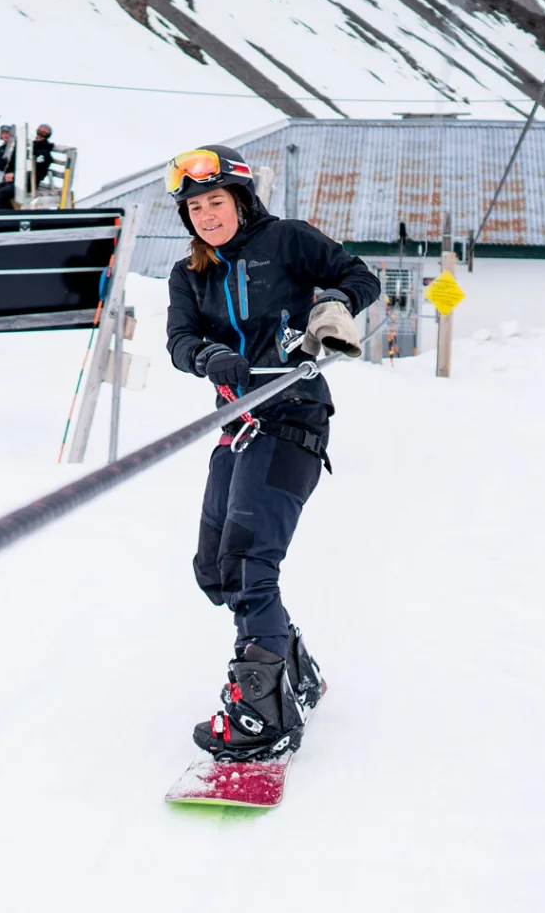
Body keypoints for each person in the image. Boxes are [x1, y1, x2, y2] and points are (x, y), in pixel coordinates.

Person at [163, 144, 379, 763]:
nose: (207, 215)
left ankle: (263, 714)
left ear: (241, 200)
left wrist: (332, 307)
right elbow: (180, 339)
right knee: (217, 569)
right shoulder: (190, 273)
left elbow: (358, 277)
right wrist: (208, 356)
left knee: (250, 559)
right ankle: (292, 669)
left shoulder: (286, 240)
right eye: (195, 207)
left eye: (215, 201)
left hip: (293, 418)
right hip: (237, 424)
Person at [29, 123, 56, 194]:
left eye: (43, 134)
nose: (40, 136)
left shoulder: (44, 153)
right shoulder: (32, 146)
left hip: (30, 182)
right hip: (19, 177)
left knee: (2, 192)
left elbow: (38, 172)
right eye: (39, 132)